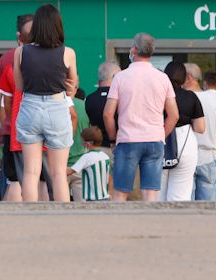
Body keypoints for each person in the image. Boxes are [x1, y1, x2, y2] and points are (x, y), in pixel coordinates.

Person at [12, 4, 78, 203]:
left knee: (31, 172)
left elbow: (20, 86)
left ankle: (30, 217)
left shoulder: (21, 52)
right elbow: (72, 85)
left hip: (30, 106)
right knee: (58, 173)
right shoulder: (68, 52)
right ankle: (62, 219)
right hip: (57, 107)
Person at [104, 33, 179, 203]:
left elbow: (108, 113)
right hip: (154, 140)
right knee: (150, 193)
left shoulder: (120, 77)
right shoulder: (163, 78)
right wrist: (161, 134)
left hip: (127, 139)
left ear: (134, 50)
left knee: (120, 193)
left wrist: (112, 139)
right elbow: (174, 115)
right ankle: (149, 227)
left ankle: (118, 227)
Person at [158, 61, 206, 202]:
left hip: (159, 143)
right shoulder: (190, 97)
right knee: (180, 196)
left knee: (157, 194)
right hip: (185, 146)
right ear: (185, 78)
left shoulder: (157, 95)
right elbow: (200, 128)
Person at [193, 69, 216, 201]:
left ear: (205, 83)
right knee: (213, 194)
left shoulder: (197, 97)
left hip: (194, 152)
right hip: (214, 153)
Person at [67, 127, 111, 201]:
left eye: (82, 141)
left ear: (88, 143)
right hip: (105, 197)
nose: (82, 143)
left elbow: (70, 171)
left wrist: (57, 170)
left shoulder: (86, 157)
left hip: (92, 198)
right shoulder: (105, 156)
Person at [85, 61, 120, 148]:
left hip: (97, 148)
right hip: (118, 146)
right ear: (114, 76)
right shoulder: (120, 98)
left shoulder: (89, 99)